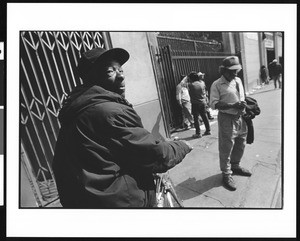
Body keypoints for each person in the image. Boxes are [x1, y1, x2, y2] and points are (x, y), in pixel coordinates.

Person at [52, 47, 193, 208]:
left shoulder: (78, 106)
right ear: (92, 78)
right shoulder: (109, 112)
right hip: (118, 202)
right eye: (109, 72)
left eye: (121, 70)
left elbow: (120, 145)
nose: (121, 76)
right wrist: (181, 146)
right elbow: (156, 156)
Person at [210, 56, 252, 191]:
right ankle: (226, 174)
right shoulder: (216, 84)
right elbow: (214, 104)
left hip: (240, 117)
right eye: (232, 71)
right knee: (226, 147)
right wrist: (233, 104)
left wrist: (244, 106)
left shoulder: (238, 80)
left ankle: (235, 166)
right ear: (223, 70)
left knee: (241, 144)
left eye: (236, 70)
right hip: (227, 119)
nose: (235, 73)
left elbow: (241, 96)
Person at [188, 71, 211, 138]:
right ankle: (208, 130)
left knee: (196, 118)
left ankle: (198, 133)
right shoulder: (202, 83)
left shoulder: (191, 85)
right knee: (204, 116)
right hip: (203, 102)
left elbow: (183, 83)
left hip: (195, 103)